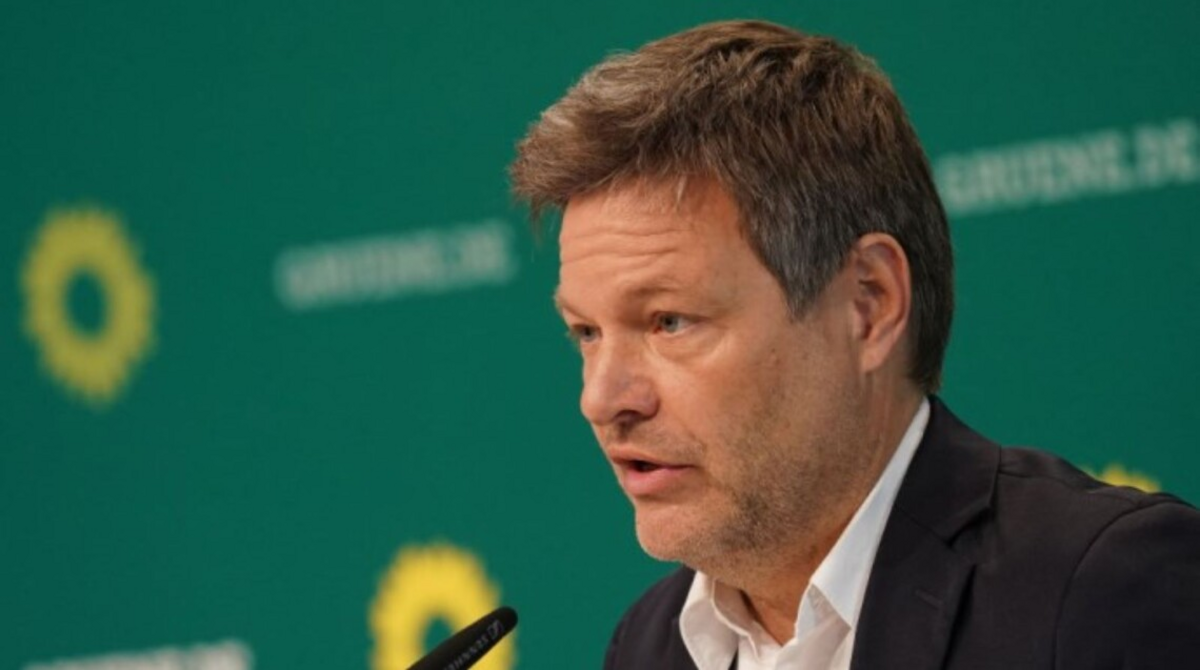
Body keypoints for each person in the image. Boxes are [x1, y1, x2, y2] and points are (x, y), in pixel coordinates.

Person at [509, 19, 1200, 670]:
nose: (602, 399)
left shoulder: (1103, 593)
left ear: (868, 305)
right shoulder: (649, 644)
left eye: (669, 322)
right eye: (586, 332)